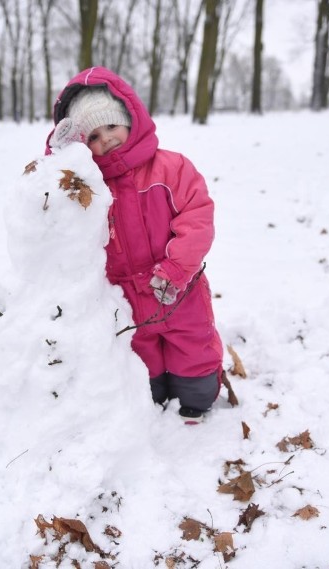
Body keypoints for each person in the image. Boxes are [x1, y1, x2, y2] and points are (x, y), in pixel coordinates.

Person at [46, 66, 223, 422]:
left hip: (177, 289)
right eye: (93, 136)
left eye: (111, 126)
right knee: (143, 370)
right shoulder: (89, 185)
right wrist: (60, 157)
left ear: (130, 117)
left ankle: (196, 400)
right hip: (124, 300)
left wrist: (177, 268)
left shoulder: (170, 168)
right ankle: (153, 400)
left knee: (194, 354)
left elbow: (197, 217)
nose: (106, 139)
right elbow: (53, 200)